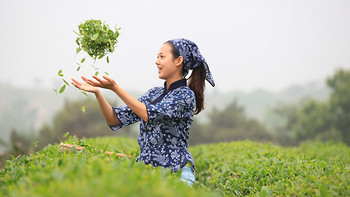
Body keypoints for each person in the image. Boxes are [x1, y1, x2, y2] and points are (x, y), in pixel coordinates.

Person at [71, 38, 215, 186]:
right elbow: (114, 119)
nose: (157, 61)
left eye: (162, 57)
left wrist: (115, 88)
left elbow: (148, 114)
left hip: (177, 173)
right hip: (149, 172)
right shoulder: (153, 93)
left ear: (178, 61)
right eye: (157, 56)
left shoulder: (185, 95)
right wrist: (98, 93)